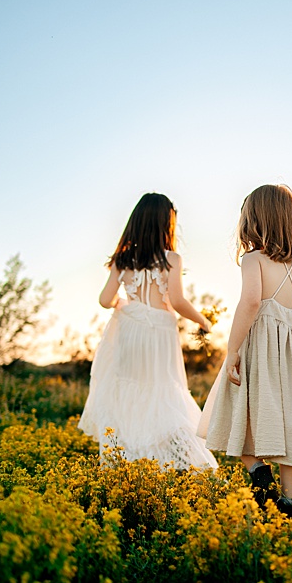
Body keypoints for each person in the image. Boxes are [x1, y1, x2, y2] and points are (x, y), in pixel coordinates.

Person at [198, 184, 292, 515]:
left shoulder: (253, 259)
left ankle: (257, 470)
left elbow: (251, 302)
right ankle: (290, 502)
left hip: (260, 349)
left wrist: (233, 350)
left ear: (254, 221)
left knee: (243, 410)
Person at [79, 193, 218, 470]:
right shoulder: (171, 259)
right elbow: (177, 302)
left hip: (130, 331)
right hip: (159, 333)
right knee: (164, 391)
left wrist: (124, 304)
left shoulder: (122, 259)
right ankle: (172, 464)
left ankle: (129, 464)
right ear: (165, 223)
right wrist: (203, 320)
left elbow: (105, 300)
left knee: (131, 391)